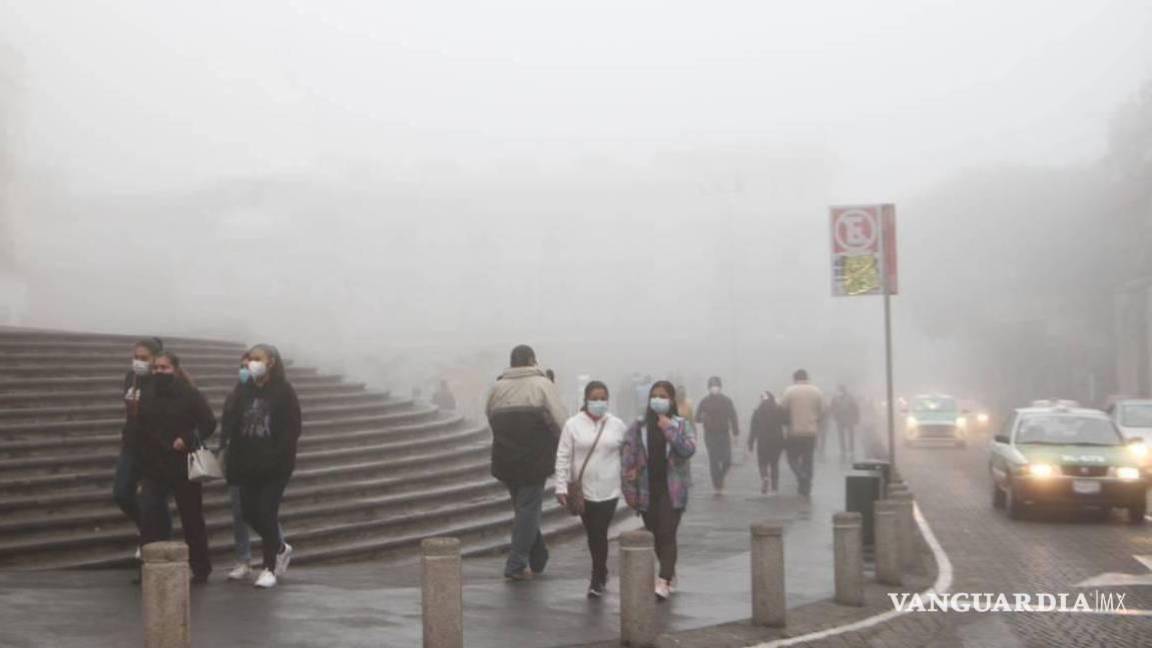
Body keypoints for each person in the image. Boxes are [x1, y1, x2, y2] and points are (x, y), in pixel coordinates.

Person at [223, 344, 302, 589]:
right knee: (248, 513)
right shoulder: (243, 390)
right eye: (249, 359)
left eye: (257, 359)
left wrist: (277, 457)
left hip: (274, 466)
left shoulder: (284, 391)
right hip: (246, 464)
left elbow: (292, 430)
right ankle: (279, 547)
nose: (251, 363)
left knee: (267, 512)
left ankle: (269, 567)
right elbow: (231, 424)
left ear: (271, 362)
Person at [486, 344, 568, 580]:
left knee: (523, 509)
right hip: (535, 458)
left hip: (505, 457)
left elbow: (488, 415)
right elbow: (561, 419)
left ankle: (538, 555)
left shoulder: (497, 386)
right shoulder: (542, 385)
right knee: (527, 509)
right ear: (532, 360)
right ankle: (516, 564)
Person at [136, 351, 216, 584]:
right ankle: (150, 567)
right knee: (150, 517)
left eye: (165, 368)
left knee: (191, 518)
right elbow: (140, 426)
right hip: (154, 465)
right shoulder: (147, 393)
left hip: (183, 465)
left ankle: (201, 568)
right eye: (156, 368)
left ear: (176, 369)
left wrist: (188, 439)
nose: (159, 372)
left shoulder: (189, 394)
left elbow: (208, 423)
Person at [622, 381, 696, 601]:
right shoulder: (639, 426)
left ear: (671, 400)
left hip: (672, 490)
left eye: (663, 395)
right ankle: (669, 571)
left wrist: (669, 430)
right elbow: (628, 454)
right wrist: (630, 474)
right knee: (656, 534)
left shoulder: (681, 424)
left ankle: (663, 580)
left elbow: (688, 450)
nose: (658, 399)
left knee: (667, 532)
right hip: (647, 489)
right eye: (654, 395)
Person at [553, 380, 627, 598]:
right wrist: (560, 485)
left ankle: (597, 576)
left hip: (610, 489)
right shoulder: (572, 425)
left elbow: (630, 452)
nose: (599, 402)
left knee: (599, 531)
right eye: (594, 398)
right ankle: (600, 570)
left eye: (603, 398)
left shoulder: (617, 425)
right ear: (585, 400)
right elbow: (563, 456)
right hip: (583, 491)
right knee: (593, 532)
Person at [113, 338, 172, 555]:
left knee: (153, 499)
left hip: (155, 449)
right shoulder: (131, 377)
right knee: (121, 493)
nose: (138, 362)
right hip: (131, 445)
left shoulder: (161, 382)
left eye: (144, 358)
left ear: (155, 358)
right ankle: (147, 531)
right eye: (136, 357)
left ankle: (159, 540)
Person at [780, 369, 825, 497]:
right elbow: (823, 410)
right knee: (808, 459)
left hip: (794, 432)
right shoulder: (817, 391)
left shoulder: (789, 391)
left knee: (792, 458)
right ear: (807, 378)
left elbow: (783, 408)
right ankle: (806, 486)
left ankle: (801, 476)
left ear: (795, 379)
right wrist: (815, 419)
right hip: (811, 431)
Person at [694, 376, 740, 493]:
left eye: (716, 386)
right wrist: (702, 418)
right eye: (712, 386)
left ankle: (720, 477)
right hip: (710, 435)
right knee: (713, 460)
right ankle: (717, 485)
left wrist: (735, 433)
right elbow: (697, 417)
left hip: (724, 434)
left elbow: (733, 416)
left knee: (727, 460)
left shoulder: (726, 401)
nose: (714, 388)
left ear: (720, 387)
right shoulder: (704, 401)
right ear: (708, 388)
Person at [747, 391, 787, 495]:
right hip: (777, 440)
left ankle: (764, 477)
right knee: (774, 464)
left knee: (762, 462)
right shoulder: (778, 409)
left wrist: (750, 443)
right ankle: (774, 488)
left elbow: (753, 429)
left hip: (763, 440)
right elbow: (787, 421)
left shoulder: (757, 411)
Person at [830, 385, 860, 461]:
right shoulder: (835, 398)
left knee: (850, 435)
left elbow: (855, 408)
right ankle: (843, 449)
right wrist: (834, 415)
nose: (840, 391)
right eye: (839, 390)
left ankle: (851, 449)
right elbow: (832, 408)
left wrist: (856, 419)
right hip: (839, 419)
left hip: (849, 418)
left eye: (841, 390)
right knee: (841, 435)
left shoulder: (850, 397)